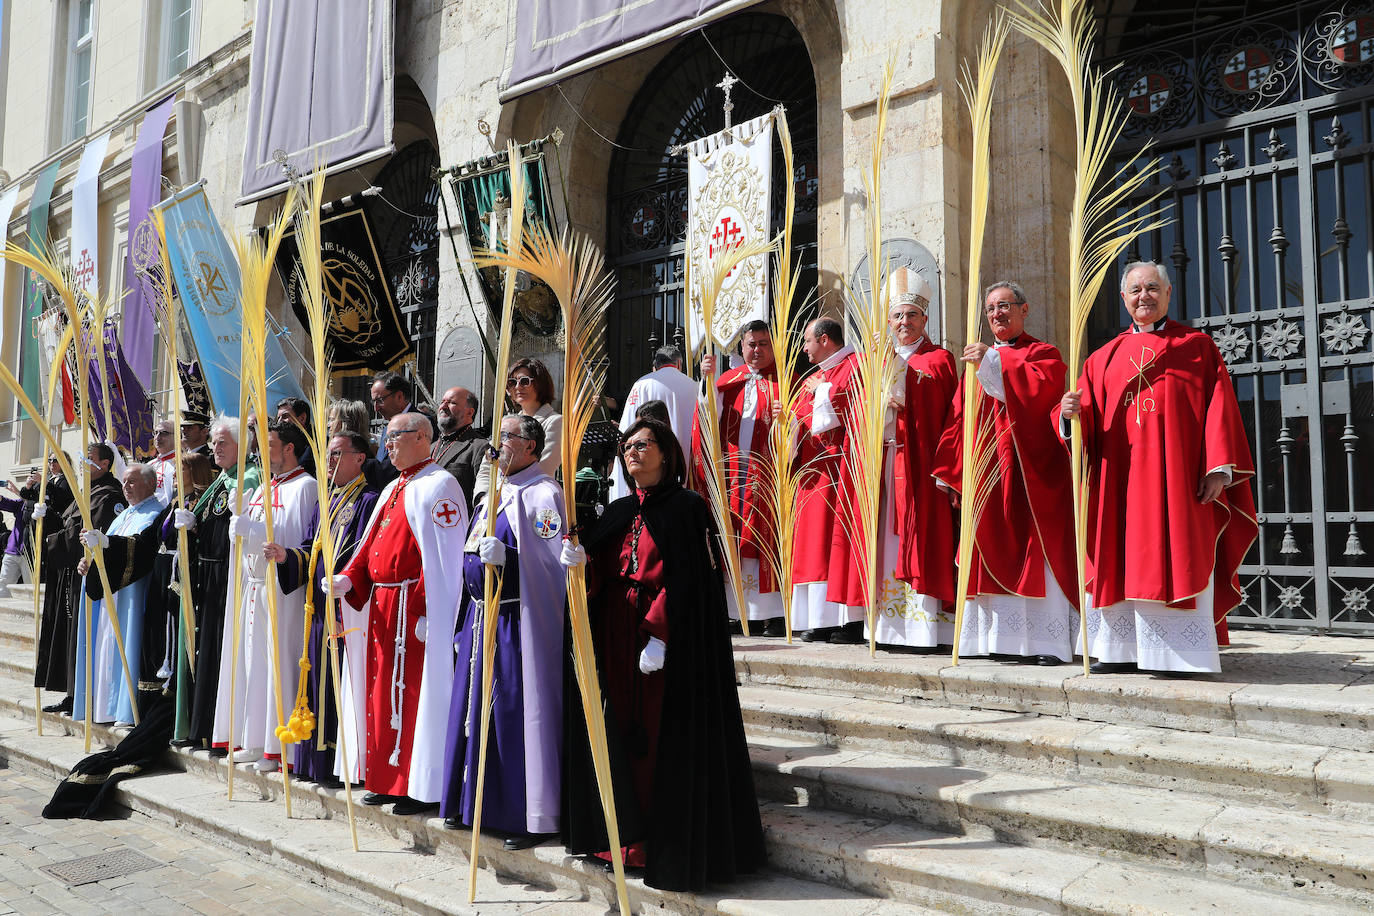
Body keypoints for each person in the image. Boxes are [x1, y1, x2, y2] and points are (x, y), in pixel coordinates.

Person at [561, 418, 765, 890]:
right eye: (627, 445)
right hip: (614, 638)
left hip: (661, 642)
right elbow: (597, 575)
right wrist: (579, 564)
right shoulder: (615, 510)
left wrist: (660, 633)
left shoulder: (687, 509)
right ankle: (620, 838)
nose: (634, 452)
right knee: (615, 735)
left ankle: (661, 841)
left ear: (666, 453)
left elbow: (689, 580)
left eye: (644, 444)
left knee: (656, 741)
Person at [1059, 261, 1258, 674]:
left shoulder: (1196, 346)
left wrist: (1219, 468)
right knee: (1118, 554)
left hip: (1178, 480)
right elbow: (1086, 426)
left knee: (1179, 551)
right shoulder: (1101, 358)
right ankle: (1119, 651)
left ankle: (1179, 654)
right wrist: (1068, 416)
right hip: (1120, 483)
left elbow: (1218, 407)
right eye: (1135, 290)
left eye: (1152, 288)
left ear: (1168, 294)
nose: (1143, 296)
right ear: (1123, 299)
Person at [933, 281, 1079, 665]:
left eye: (1005, 306)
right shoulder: (974, 365)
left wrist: (992, 362)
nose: (997, 314)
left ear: (1024, 309)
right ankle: (992, 640)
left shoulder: (1044, 353)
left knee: (1033, 549)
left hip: (1029, 469)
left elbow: (1039, 400)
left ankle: (1045, 643)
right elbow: (959, 420)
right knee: (985, 545)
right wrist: (954, 474)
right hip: (986, 473)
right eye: (991, 309)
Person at [441, 413, 567, 848]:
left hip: (515, 623)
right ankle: (471, 802)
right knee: (474, 714)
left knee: (511, 714)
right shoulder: (495, 490)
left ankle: (518, 814)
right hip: (479, 618)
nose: (497, 446)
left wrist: (512, 560)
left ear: (531, 447)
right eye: (497, 437)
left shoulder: (544, 494)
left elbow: (552, 569)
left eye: (508, 437)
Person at [333, 412, 467, 816]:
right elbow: (370, 544)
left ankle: (413, 783)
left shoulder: (439, 484)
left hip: (413, 610)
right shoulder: (394, 486)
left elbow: (442, 559)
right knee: (380, 693)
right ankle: (385, 779)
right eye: (386, 438)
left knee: (407, 695)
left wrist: (430, 609)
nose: (387, 445)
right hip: (383, 607)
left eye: (395, 437)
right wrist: (348, 579)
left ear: (423, 437)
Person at [830, 269, 959, 650]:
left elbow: (943, 410)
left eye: (912, 316)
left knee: (919, 540)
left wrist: (902, 385)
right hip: (880, 466)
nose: (904, 323)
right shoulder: (872, 361)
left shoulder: (939, 359)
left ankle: (922, 629)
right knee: (881, 541)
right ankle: (883, 628)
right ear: (888, 320)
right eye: (898, 316)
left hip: (917, 465)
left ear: (925, 319)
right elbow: (852, 410)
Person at [263, 431, 381, 785]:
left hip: (347, 610)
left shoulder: (368, 501)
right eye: (326, 455)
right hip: (317, 609)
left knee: (339, 682)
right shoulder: (326, 502)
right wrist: (287, 556)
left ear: (359, 458)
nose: (328, 462)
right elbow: (307, 549)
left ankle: (339, 761)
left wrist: (344, 577)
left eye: (336, 454)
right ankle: (314, 761)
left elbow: (362, 552)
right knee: (314, 680)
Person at [212, 420, 316, 772]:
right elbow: (244, 537)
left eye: (268, 444)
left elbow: (301, 539)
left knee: (277, 665)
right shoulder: (263, 486)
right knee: (252, 665)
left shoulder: (306, 487)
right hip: (254, 586)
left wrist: (254, 531)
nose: (258, 451)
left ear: (289, 448)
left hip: (283, 591)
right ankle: (254, 738)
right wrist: (237, 528)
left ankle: (279, 745)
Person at [170, 416, 260, 749]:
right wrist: (195, 526)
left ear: (242, 444)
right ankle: (201, 726)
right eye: (215, 442)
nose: (215, 448)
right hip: (208, 575)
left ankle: (217, 732)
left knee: (220, 652)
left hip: (228, 577)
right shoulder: (221, 478)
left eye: (223, 442)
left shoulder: (249, 478)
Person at [694, 321, 785, 636]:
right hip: (734, 472)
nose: (757, 350)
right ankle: (737, 612)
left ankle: (774, 614)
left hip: (769, 474)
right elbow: (707, 415)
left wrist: (786, 417)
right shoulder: (728, 381)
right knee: (734, 536)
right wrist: (706, 383)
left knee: (768, 538)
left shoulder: (784, 382)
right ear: (742, 347)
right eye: (752, 344)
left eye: (763, 343)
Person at [73, 464, 166, 725]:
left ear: (151, 484)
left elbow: (142, 550)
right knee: (107, 646)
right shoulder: (122, 516)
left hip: (134, 595)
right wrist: (89, 564)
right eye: (124, 482)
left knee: (127, 644)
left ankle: (124, 709)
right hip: (112, 595)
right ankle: (105, 707)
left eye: (132, 482)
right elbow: (104, 554)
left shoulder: (155, 514)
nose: (125, 487)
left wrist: (107, 544)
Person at [790, 317, 863, 643]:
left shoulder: (854, 365)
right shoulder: (819, 376)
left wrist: (824, 392)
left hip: (839, 469)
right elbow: (804, 418)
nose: (804, 349)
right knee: (814, 546)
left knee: (833, 544)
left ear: (823, 340)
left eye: (807, 341)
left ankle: (848, 620)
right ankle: (819, 618)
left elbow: (856, 405)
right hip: (813, 471)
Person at [36, 444, 123, 714]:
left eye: (91, 458)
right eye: (83, 458)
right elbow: (66, 524)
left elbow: (84, 534)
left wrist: (55, 539)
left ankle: (81, 694)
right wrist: (42, 518)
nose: (84, 463)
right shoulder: (86, 491)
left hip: (85, 572)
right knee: (67, 634)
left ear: (106, 464)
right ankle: (71, 691)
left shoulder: (109, 495)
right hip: (69, 573)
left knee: (81, 635)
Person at [610, 346, 700, 501]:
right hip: (684, 471)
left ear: (655, 366)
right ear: (679, 364)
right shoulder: (694, 386)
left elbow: (626, 432)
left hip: (646, 472)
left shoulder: (642, 384)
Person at [473, 358, 562, 505]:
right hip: (493, 503)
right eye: (512, 383)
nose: (518, 387)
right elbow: (488, 464)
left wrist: (503, 496)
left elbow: (542, 468)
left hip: (528, 501)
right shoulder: (505, 423)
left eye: (524, 381)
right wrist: (483, 497)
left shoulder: (555, 421)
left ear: (540, 383)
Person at [370, 372, 436, 484]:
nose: (376, 408)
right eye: (373, 402)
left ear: (399, 397)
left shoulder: (423, 423)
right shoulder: (387, 428)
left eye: (380, 401)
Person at [431, 385, 486, 512]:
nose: (443, 407)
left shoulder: (479, 447)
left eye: (451, 403)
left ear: (469, 412)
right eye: (442, 402)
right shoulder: (430, 448)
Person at [276, 396, 317, 477]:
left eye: (285, 416)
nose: (279, 421)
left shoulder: (317, 444)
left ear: (302, 418)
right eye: (278, 418)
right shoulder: (281, 444)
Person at [151, 421, 179, 504]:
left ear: (176, 436)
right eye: (156, 433)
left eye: (163, 433)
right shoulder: (150, 464)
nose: (157, 437)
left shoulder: (181, 465)